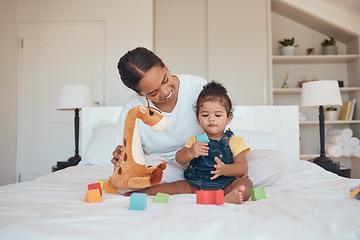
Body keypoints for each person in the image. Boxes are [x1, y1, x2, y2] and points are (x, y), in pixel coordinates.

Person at [126, 81, 252, 204]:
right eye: (205, 115)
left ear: (228, 118)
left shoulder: (235, 141)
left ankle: (232, 196)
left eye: (218, 115)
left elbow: (242, 167)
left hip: (225, 186)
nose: (211, 119)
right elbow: (179, 158)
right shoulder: (195, 141)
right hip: (196, 185)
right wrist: (190, 152)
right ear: (198, 118)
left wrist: (226, 169)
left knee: (246, 183)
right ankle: (140, 193)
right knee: (177, 186)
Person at [112, 47, 207, 183]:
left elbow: (219, 124)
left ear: (164, 64)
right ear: (140, 94)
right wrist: (122, 158)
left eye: (165, 80)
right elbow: (127, 154)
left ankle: (188, 182)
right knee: (143, 172)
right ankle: (191, 183)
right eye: (153, 93)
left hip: (202, 157)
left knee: (243, 160)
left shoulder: (198, 87)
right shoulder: (132, 109)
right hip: (164, 166)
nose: (165, 92)